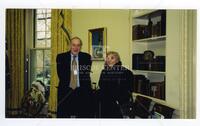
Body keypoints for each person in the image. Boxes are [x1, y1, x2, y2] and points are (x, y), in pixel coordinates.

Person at [56, 36, 94, 118]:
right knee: (64, 117)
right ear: (70, 45)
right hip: (66, 91)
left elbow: (85, 73)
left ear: (80, 46)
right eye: (73, 45)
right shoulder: (61, 57)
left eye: (78, 45)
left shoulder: (87, 57)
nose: (76, 48)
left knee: (83, 117)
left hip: (82, 92)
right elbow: (61, 74)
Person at [97, 51, 134, 118]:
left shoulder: (126, 72)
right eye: (107, 58)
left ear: (117, 60)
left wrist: (118, 100)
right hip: (105, 103)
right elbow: (101, 85)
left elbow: (129, 89)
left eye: (112, 58)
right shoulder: (104, 71)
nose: (109, 60)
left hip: (118, 104)